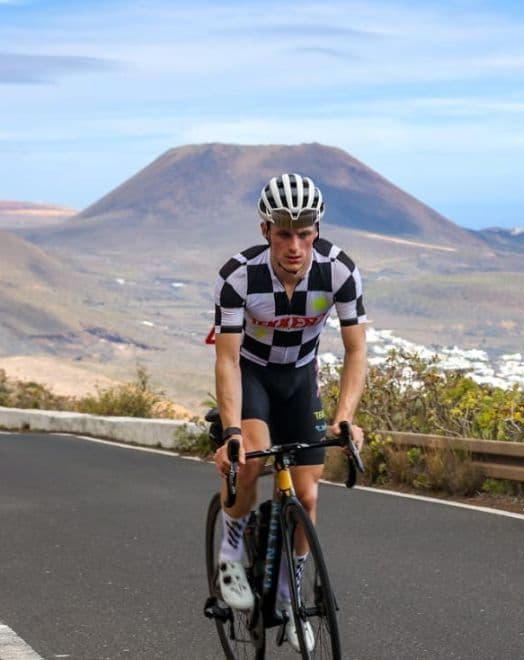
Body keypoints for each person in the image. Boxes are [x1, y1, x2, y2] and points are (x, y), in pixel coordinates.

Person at [210, 172, 368, 648]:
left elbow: (356, 352)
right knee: (253, 457)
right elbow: (227, 359)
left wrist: (345, 417)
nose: (295, 246)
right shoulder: (238, 276)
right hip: (253, 376)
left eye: (304, 233)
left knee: (308, 495)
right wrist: (232, 430)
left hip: (300, 378)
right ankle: (231, 549)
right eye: (284, 234)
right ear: (266, 232)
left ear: (316, 229)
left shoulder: (339, 270)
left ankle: (289, 592)